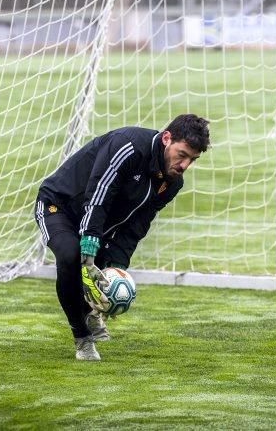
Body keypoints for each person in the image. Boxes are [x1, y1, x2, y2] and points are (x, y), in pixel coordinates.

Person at [34, 114, 210, 361]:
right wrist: (90, 237)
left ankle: (91, 311)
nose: (184, 166)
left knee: (105, 270)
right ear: (167, 139)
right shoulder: (128, 146)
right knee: (70, 255)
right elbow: (99, 192)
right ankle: (82, 338)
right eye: (182, 155)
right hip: (58, 206)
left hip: (99, 221)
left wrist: (117, 267)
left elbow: (136, 226)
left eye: (192, 160)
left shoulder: (171, 183)